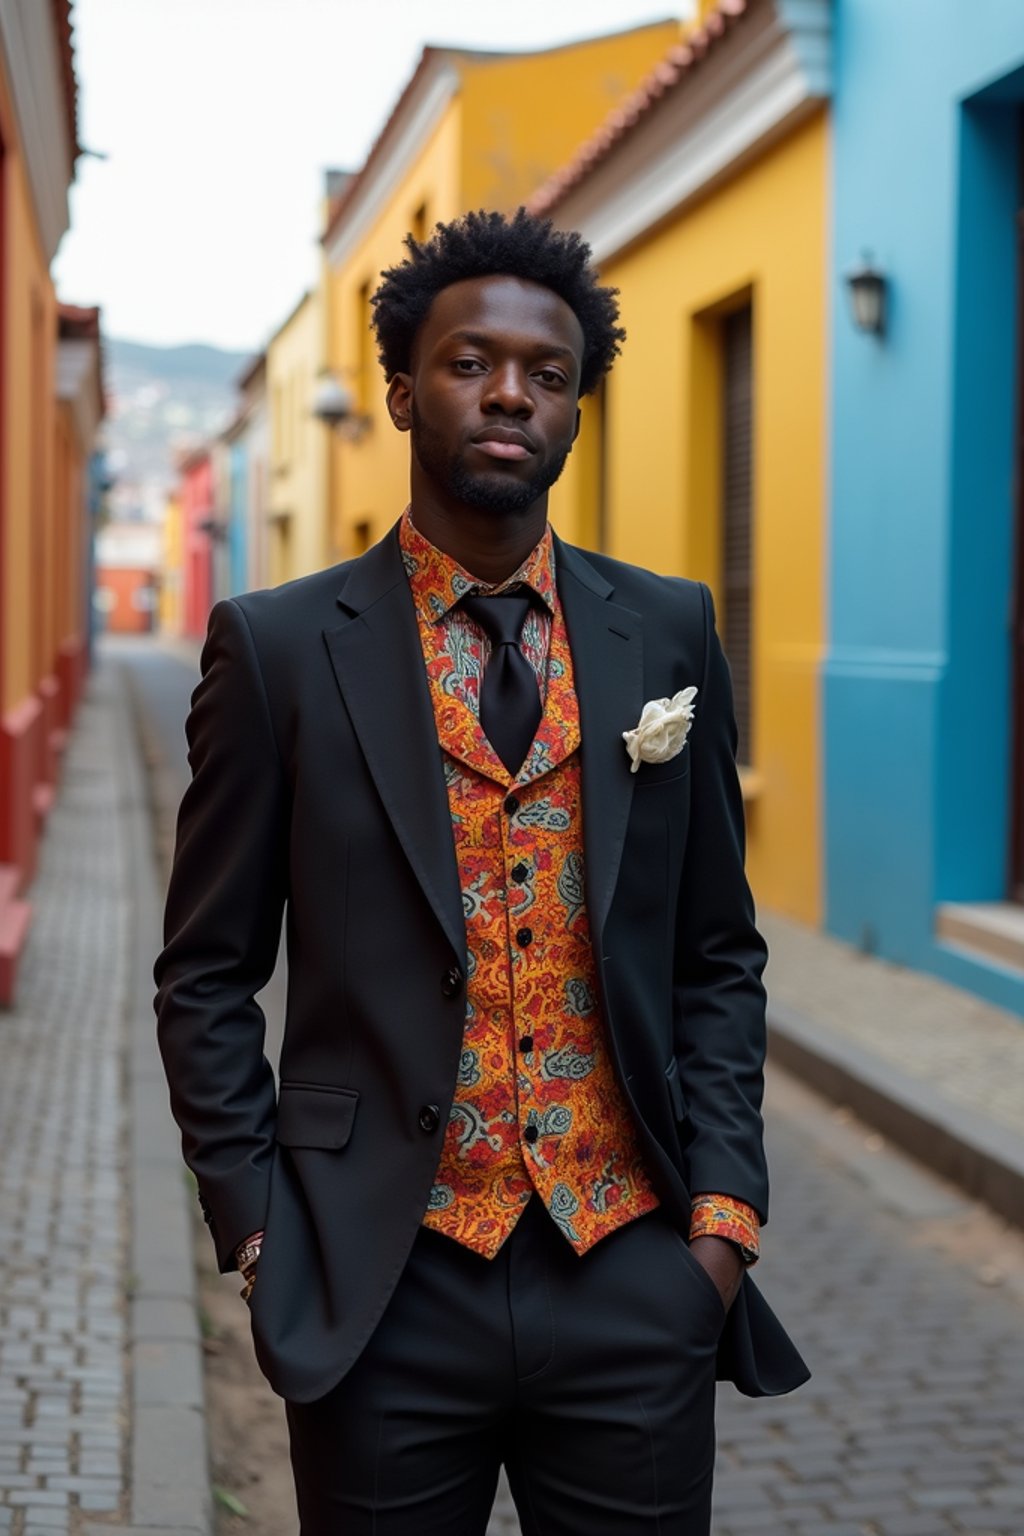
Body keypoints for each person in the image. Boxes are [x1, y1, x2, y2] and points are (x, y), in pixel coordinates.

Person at [155, 208, 808, 1536]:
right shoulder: (279, 650)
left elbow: (716, 953)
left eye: (549, 373)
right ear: (402, 389)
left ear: (576, 412)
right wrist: (260, 1230)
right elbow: (207, 974)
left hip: (632, 1267)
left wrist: (721, 1228)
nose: (511, 390)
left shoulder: (670, 629)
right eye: (470, 362)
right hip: (379, 1285)